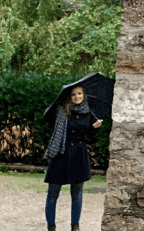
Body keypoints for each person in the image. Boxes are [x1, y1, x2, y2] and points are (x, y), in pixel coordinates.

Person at [43, 85, 102, 231]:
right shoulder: (60, 111)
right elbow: (49, 124)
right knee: (53, 193)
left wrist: (95, 128)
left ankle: (75, 226)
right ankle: (51, 226)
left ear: (83, 95)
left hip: (78, 156)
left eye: (79, 94)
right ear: (69, 97)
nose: (77, 97)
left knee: (77, 193)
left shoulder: (89, 113)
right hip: (60, 155)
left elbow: (89, 136)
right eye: (73, 95)